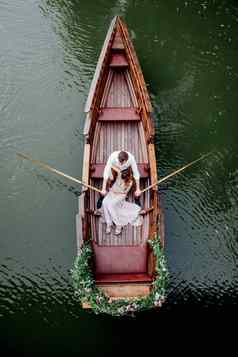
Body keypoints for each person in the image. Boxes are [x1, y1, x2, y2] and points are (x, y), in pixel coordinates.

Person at [100, 166, 143, 235]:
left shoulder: (130, 182)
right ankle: (109, 223)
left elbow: (124, 192)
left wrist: (116, 192)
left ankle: (118, 225)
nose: (121, 177)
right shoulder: (120, 173)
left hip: (121, 195)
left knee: (110, 205)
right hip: (112, 192)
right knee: (104, 202)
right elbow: (111, 165)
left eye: (123, 177)